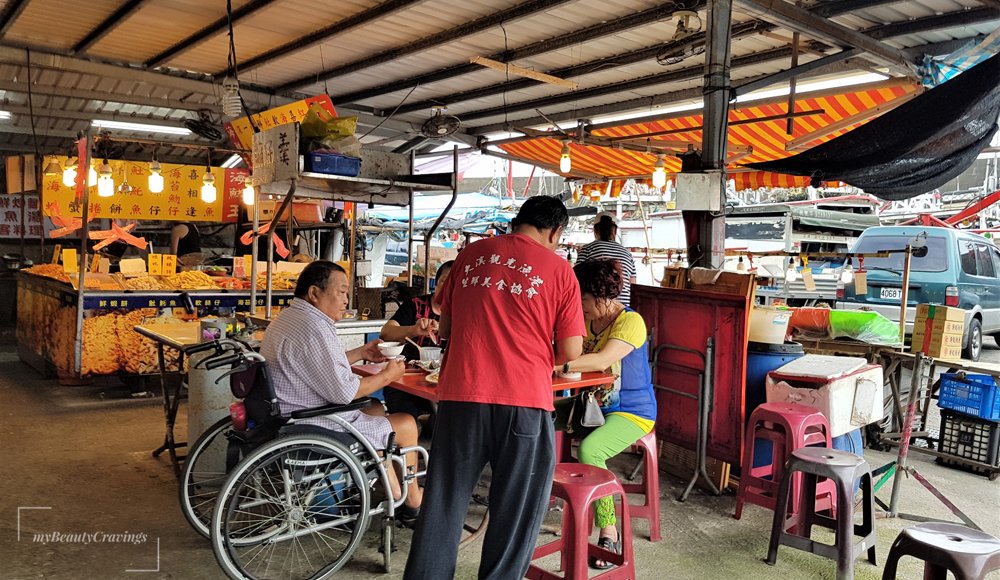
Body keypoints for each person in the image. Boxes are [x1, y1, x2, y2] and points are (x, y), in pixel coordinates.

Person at [403, 196, 585, 580]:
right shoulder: (559, 269)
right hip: (525, 401)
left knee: (444, 502)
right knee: (516, 508)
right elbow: (571, 350)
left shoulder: (471, 255)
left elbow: (447, 329)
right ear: (554, 232)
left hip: (460, 395)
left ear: (518, 221)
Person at [261, 260, 423, 525]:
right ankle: (413, 502)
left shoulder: (291, 317)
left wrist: (360, 353)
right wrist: (387, 376)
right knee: (405, 423)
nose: (347, 299)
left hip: (288, 411)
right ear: (315, 293)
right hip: (311, 421)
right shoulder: (314, 328)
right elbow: (345, 393)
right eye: (341, 291)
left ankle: (393, 488)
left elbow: (316, 367)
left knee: (375, 408)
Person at [559, 258, 656, 569]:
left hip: (632, 412)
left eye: (583, 299)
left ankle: (608, 528)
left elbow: (602, 360)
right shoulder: (587, 320)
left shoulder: (631, 321)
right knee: (539, 421)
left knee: (590, 449)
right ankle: (548, 503)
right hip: (592, 407)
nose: (580, 306)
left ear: (601, 295)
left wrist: (555, 365)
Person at [379, 260, 453, 422]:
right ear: (435, 283)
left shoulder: (464, 313)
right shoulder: (415, 305)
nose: (448, 287)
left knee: (442, 427)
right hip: (404, 384)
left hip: (443, 387)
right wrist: (413, 330)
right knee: (408, 422)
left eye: (454, 283)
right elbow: (386, 333)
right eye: (444, 281)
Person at [576, 212, 637, 306]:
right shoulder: (627, 253)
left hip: (596, 308)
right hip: (624, 307)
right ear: (615, 231)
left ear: (595, 231)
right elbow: (633, 286)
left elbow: (576, 281)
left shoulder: (587, 249)